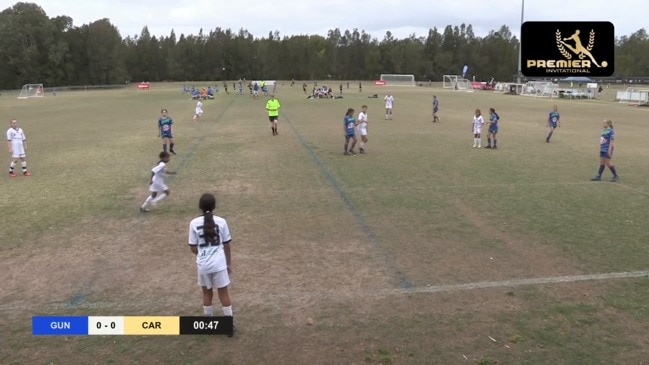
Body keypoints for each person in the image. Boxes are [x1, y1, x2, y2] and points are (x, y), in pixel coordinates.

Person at [188, 193, 234, 326]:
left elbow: (193, 247)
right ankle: (228, 325)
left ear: (200, 207)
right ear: (214, 206)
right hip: (219, 264)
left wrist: (203, 254)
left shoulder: (193, 223)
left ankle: (208, 324)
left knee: (207, 294)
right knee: (223, 293)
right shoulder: (221, 222)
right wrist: (228, 263)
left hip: (203, 265)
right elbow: (226, 244)